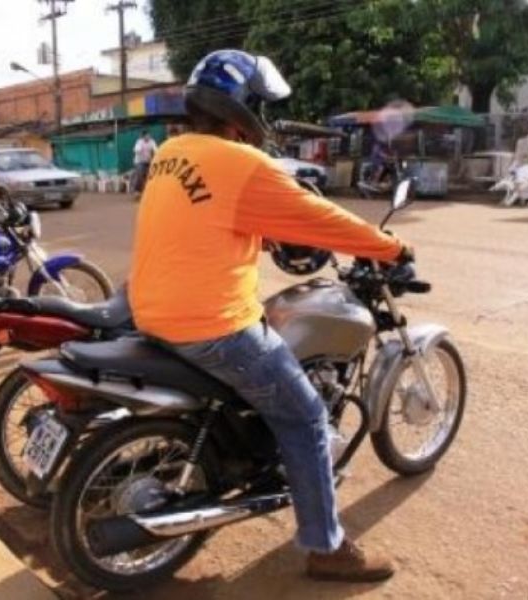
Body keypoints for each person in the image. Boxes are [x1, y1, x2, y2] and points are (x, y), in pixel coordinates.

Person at [128, 50, 414, 583]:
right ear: (247, 107)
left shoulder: (170, 151)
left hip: (150, 311)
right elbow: (320, 217)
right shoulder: (244, 164)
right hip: (209, 325)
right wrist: (390, 247)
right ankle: (326, 548)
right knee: (305, 416)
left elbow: (207, 221)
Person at [131, 130, 157, 194]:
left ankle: (149, 190)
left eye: (149, 135)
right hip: (139, 161)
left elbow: (155, 149)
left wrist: (156, 153)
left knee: (150, 175)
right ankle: (137, 190)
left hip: (148, 161)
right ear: (143, 136)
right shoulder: (139, 142)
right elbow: (136, 149)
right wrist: (138, 149)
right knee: (140, 175)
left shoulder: (152, 141)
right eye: (147, 135)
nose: (148, 137)